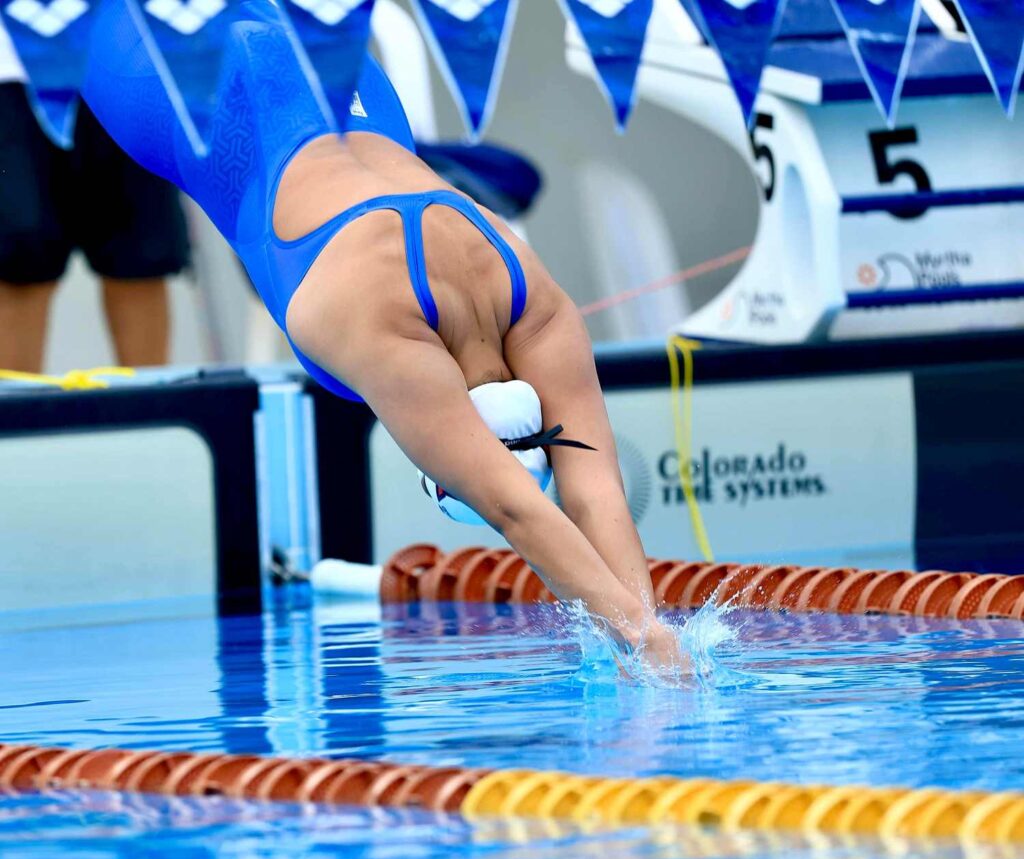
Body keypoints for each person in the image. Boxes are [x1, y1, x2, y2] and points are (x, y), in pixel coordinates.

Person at [83, 2, 685, 673]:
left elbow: (595, 492)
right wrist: (642, 638)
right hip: (209, 117)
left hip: (348, 101)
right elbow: (517, 511)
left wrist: (648, 633)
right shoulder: (389, 336)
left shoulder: (533, 299)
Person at [0, 21, 189, 373]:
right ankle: (15, 409)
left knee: (141, 257)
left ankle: (149, 406)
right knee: (20, 261)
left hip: (132, 56)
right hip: (11, 65)